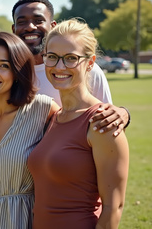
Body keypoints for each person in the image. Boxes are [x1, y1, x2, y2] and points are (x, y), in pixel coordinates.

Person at [28, 18, 129, 228]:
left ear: (90, 63)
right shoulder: (55, 117)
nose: (59, 66)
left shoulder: (101, 123)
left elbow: (113, 208)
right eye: (52, 57)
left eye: (71, 58)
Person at [0, 32, 59, 228]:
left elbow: (79, 124)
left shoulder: (43, 109)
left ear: (18, 72)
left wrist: (121, 113)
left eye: (4, 66)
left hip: (21, 218)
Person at [11, 0, 130, 135]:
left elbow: (107, 119)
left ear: (52, 26)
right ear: (14, 29)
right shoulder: (8, 73)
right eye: (22, 21)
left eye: (38, 20)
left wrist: (123, 113)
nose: (30, 27)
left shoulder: (88, 71)